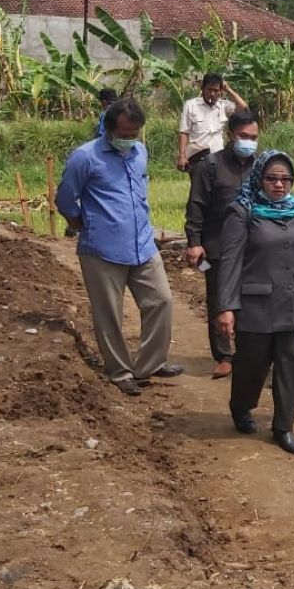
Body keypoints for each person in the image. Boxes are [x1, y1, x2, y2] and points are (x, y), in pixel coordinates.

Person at [55, 98, 183, 396]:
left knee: (161, 301)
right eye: (124, 134)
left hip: (142, 244)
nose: (130, 140)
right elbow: (64, 200)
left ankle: (149, 364)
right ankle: (120, 371)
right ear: (109, 130)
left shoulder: (140, 152)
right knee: (109, 313)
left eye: (135, 133)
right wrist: (81, 224)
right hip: (102, 249)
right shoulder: (85, 157)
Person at [214, 151, 294, 455]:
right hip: (257, 304)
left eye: (285, 179)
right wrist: (226, 307)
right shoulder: (242, 211)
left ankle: (283, 426)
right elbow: (230, 261)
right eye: (272, 178)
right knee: (251, 365)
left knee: (292, 366)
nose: (279, 184)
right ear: (259, 178)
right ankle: (241, 406)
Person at [184, 111, 260, 379]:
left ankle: (250, 352)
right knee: (218, 298)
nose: (249, 142)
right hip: (215, 247)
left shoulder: (261, 165)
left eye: (254, 137)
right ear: (231, 135)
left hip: (253, 248)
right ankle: (224, 355)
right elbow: (196, 205)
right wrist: (194, 242)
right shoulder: (210, 165)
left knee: (252, 299)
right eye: (243, 136)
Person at [178, 73, 248, 174]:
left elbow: (244, 110)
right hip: (198, 159)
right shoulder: (191, 105)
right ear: (202, 89)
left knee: (219, 188)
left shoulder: (223, 106)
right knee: (199, 189)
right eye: (209, 90)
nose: (212, 94)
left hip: (218, 158)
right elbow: (184, 132)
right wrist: (182, 156)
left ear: (220, 91)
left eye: (216, 91)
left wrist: (228, 89)